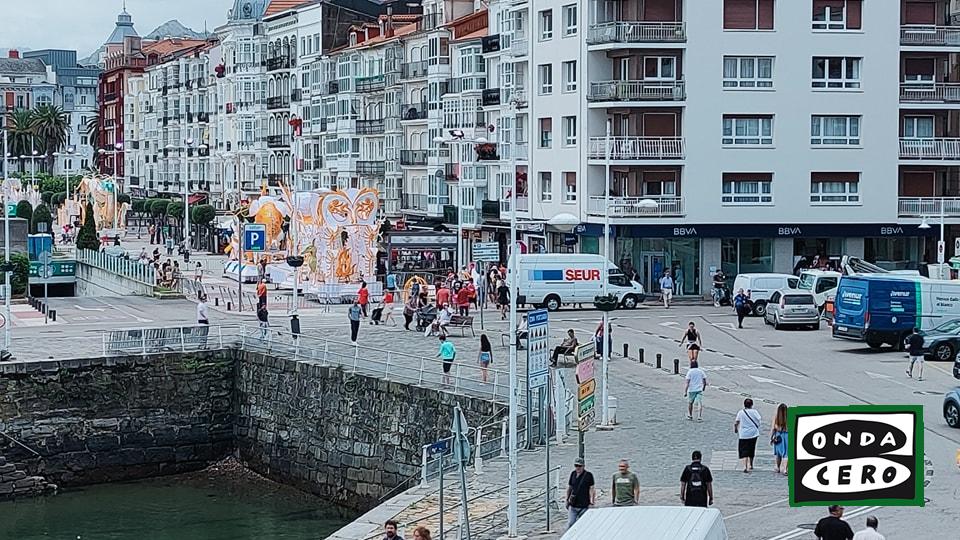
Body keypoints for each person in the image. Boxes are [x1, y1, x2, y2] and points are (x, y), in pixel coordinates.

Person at [565, 457, 594, 529]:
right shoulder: (573, 474)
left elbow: (592, 489)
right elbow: (570, 487)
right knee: (571, 523)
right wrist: (567, 499)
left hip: (584, 505)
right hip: (573, 504)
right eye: (576, 466)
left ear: (583, 466)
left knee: (583, 525)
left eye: (579, 466)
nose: (578, 468)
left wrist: (591, 502)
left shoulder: (589, 475)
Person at [735, 398, 762, 473]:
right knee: (751, 449)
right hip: (753, 433)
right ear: (752, 405)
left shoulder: (741, 412)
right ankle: (751, 464)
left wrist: (736, 428)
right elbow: (759, 420)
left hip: (743, 434)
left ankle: (744, 466)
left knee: (744, 450)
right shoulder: (755, 412)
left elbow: (736, 422)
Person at [771, 403, 789, 475]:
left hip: (778, 436)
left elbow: (773, 428)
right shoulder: (789, 416)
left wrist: (771, 437)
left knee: (778, 453)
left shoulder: (776, 417)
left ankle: (777, 467)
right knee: (786, 453)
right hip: (787, 436)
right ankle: (785, 469)